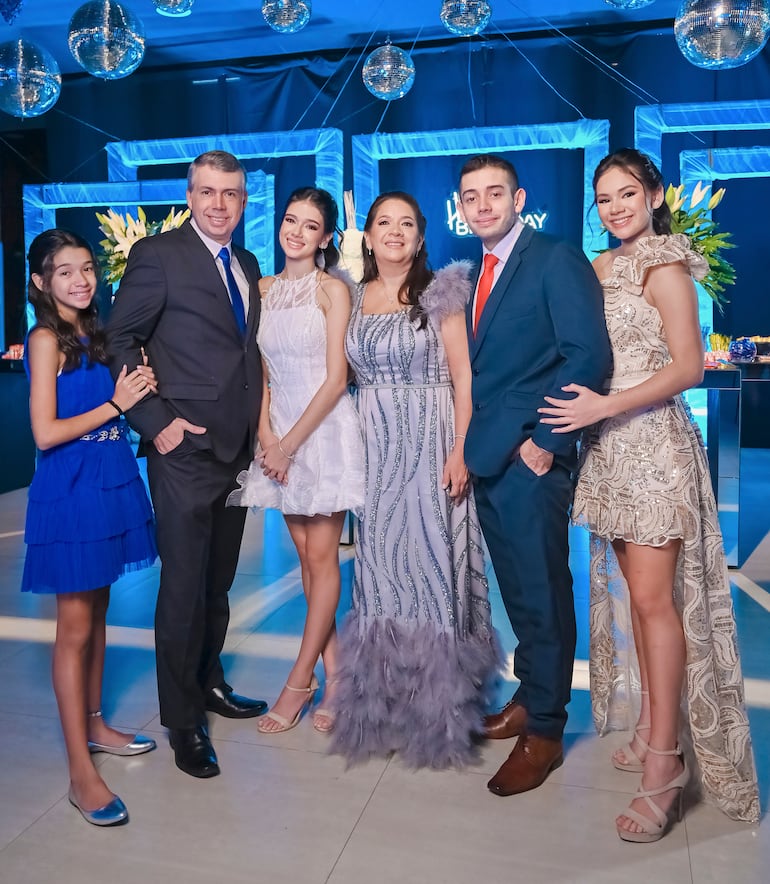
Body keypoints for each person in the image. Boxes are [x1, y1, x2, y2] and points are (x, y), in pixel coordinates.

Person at [539, 148, 760, 841]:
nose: (615, 208)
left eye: (627, 193)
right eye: (604, 198)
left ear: (655, 194)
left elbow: (690, 367)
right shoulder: (598, 267)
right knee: (637, 599)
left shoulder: (666, 265)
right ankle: (651, 723)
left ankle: (666, 765)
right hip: (609, 450)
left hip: (654, 445)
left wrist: (604, 406)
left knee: (657, 602)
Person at [106, 150, 267, 780]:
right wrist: (155, 423)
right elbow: (119, 341)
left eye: (231, 193)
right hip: (182, 449)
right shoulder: (158, 255)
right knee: (181, 590)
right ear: (190, 193)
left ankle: (209, 684)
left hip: (235, 450)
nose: (219, 204)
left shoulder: (248, 263)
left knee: (216, 585)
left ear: (244, 199)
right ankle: (181, 721)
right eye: (207, 192)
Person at [457, 155, 611, 796]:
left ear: (519, 197)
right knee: (518, 592)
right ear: (461, 207)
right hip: (489, 456)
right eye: (472, 196)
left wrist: (546, 445)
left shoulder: (554, 257)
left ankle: (545, 729)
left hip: (530, 459)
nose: (484, 204)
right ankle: (530, 696)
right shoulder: (472, 275)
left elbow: (588, 354)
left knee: (543, 592)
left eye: (496, 193)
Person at [330, 191, 500, 768]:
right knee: (378, 574)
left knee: (432, 572)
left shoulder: (441, 292)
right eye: (384, 223)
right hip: (373, 451)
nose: (395, 232)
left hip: (432, 446)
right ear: (368, 237)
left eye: (406, 223)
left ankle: (440, 713)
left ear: (421, 236)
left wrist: (460, 449)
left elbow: (464, 377)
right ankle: (383, 706)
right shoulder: (349, 299)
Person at [22, 229, 158, 826]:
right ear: (40, 282)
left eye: (87, 269)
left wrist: (137, 386)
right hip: (71, 488)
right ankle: (81, 771)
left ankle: (97, 724)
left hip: (110, 476)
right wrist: (118, 404)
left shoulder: (93, 334)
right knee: (73, 628)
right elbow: (46, 433)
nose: (80, 279)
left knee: (99, 615)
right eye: (65, 271)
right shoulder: (45, 338)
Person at [227, 187, 364, 734]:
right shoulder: (263, 289)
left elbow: (337, 380)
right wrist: (267, 438)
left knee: (324, 561)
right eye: (290, 220)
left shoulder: (332, 290)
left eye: (310, 225)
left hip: (323, 433)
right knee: (306, 562)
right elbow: (259, 372)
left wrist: (289, 444)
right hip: (277, 434)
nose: (296, 231)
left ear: (325, 237)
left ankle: (299, 679)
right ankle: (336, 678)